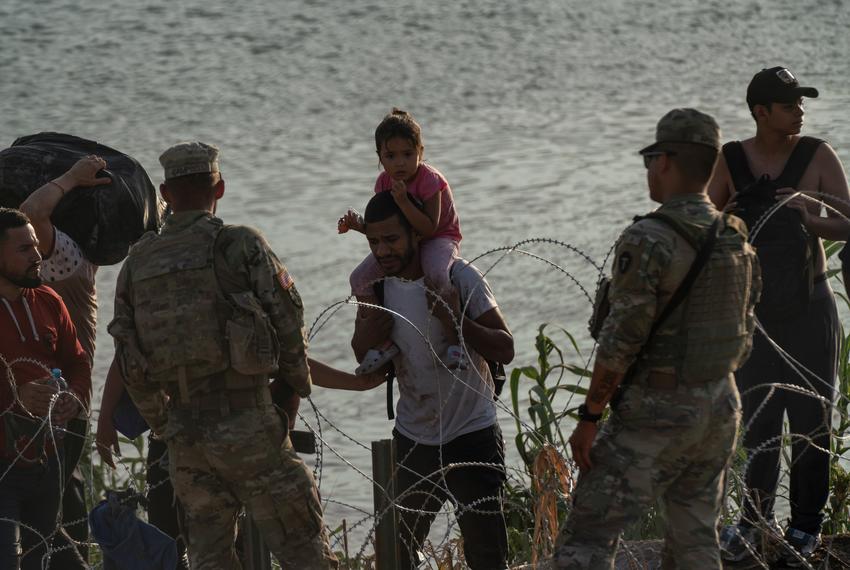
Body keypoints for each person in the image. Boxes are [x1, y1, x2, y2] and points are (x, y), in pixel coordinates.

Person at [108, 142, 338, 570]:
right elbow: (288, 319)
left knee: (209, 557)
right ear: (221, 188)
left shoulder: (137, 262)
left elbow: (129, 358)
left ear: (165, 194)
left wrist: (166, 424)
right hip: (247, 422)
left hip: (187, 437)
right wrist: (293, 389)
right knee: (303, 548)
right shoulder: (239, 245)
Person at [554, 109, 761, 569]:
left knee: (586, 537)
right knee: (695, 541)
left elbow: (620, 341)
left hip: (657, 412)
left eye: (651, 158)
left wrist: (590, 416)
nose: (649, 168)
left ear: (665, 162)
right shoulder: (735, 237)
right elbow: (745, 332)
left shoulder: (649, 238)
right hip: (719, 407)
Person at [708, 67, 850, 565]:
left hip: (811, 308)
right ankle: (751, 522)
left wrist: (805, 213)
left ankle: (806, 527)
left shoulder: (816, 154)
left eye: (802, 103)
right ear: (760, 112)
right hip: (753, 313)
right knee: (757, 423)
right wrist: (732, 216)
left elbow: (849, 220)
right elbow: (704, 224)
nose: (800, 111)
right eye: (790, 105)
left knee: (813, 418)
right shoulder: (730, 160)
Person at [350, 190, 514, 569]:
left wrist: (454, 320)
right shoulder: (376, 288)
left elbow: (504, 347)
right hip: (414, 437)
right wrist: (362, 339)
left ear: (417, 235)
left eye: (391, 239)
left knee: (487, 556)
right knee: (395, 552)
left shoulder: (457, 277)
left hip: (472, 433)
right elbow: (368, 359)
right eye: (374, 241)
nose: (382, 251)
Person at [18, 154, 109, 568]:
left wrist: (72, 177)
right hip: (47, 406)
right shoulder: (57, 265)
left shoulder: (66, 261)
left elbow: (31, 211)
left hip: (63, 406)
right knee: (60, 506)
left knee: (50, 519)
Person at [339, 108, 467, 373]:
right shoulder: (384, 183)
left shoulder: (429, 180)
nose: (400, 163)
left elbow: (428, 228)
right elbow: (387, 231)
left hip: (438, 238)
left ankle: (456, 343)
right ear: (380, 158)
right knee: (359, 280)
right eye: (391, 156)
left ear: (420, 150)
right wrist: (359, 226)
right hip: (407, 242)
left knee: (437, 276)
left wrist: (402, 201)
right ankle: (385, 339)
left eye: (408, 155)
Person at [0, 207, 92, 570]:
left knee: (45, 562)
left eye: (36, 246)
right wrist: (15, 399)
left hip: (49, 461)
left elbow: (78, 361)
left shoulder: (49, 301)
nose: (38, 256)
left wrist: (75, 395)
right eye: (24, 249)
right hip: (2, 468)